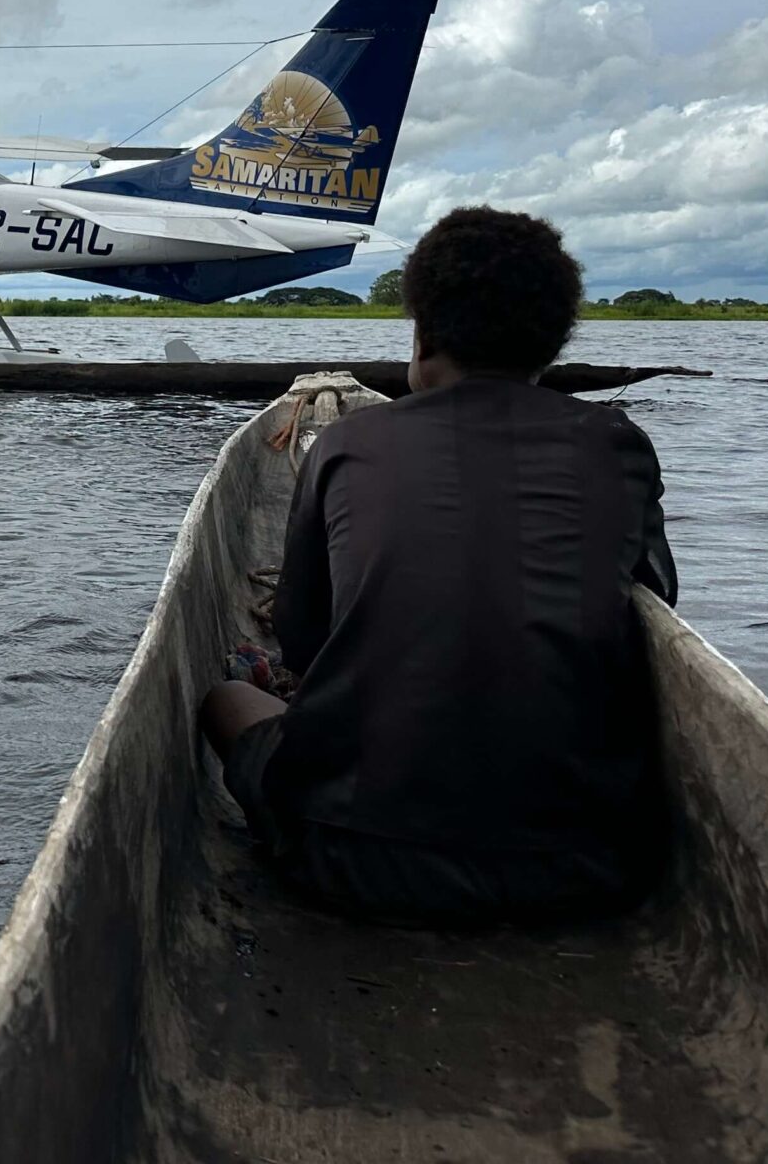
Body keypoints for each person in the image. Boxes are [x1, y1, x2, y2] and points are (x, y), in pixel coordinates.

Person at [198, 206, 677, 927]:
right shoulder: (616, 444)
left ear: (420, 335)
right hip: (586, 867)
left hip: (350, 861)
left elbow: (303, 638)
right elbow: (657, 605)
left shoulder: (347, 444)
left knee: (228, 702)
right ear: (550, 348)